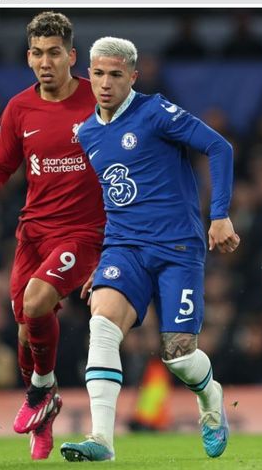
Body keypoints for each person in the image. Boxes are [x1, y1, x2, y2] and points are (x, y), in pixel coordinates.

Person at [0, 11, 105, 460]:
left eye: (54, 53)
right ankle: (44, 414)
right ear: (28, 57)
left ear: (72, 56)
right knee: (26, 335)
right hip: (33, 233)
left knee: (35, 301)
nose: (45, 62)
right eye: (37, 54)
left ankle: (42, 392)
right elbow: (0, 168)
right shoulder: (18, 108)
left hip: (83, 233)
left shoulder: (100, 100)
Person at [60, 37, 239, 462]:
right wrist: (97, 258)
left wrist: (220, 214)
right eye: (98, 74)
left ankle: (211, 398)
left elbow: (219, 146)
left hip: (177, 246)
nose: (105, 83)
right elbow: (105, 197)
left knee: (178, 357)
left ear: (132, 77)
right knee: (102, 324)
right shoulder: (87, 133)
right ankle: (101, 439)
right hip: (124, 247)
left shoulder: (155, 112)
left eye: (115, 75)